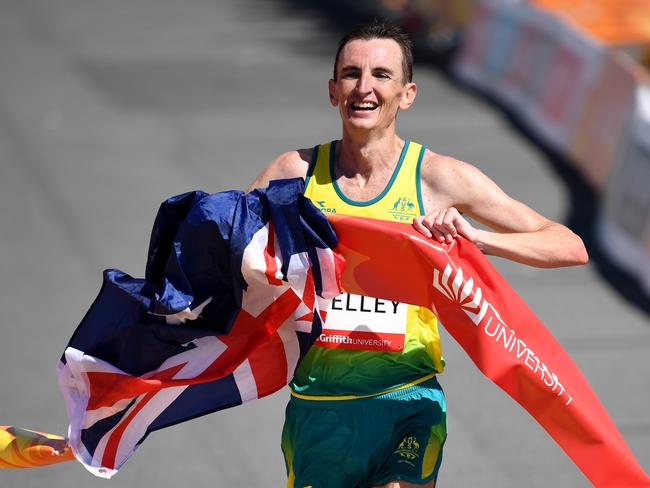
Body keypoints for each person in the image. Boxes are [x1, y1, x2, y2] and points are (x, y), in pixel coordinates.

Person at [248, 22, 588, 488]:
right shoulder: (295, 174)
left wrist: (479, 240)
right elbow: (229, 252)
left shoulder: (438, 180)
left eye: (381, 75)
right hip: (319, 409)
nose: (364, 88)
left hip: (408, 399)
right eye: (351, 74)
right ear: (333, 91)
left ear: (407, 94)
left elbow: (568, 246)